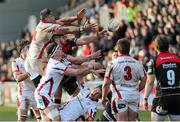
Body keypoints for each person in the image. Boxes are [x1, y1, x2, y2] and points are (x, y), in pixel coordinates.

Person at [24, 8, 97, 80]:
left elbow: (62, 21)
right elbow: (65, 29)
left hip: (34, 58)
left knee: (60, 77)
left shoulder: (43, 24)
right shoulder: (47, 27)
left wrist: (76, 17)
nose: (53, 17)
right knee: (66, 74)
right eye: (51, 16)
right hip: (38, 61)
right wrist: (82, 29)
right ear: (46, 18)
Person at [34, 42, 98, 121]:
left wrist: (91, 69)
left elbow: (76, 67)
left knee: (47, 119)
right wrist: (90, 67)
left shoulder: (60, 61)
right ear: (54, 54)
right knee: (56, 118)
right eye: (58, 48)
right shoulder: (55, 65)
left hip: (45, 96)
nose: (61, 48)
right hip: (42, 95)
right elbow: (76, 73)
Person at [102, 38, 147, 121]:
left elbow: (106, 83)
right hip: (134, 96)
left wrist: (103, 97)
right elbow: (144, 80)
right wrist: (136, 89)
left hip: (120, 96)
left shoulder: (112, 63)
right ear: (129, 49)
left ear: (117, 49)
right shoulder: (138, 63)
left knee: (121, 120)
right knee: (132, 120)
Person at [143, 35, 180, 121]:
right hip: (177, 96)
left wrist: (145, 98)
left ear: (156, 47)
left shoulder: (154, 61)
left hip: (162, 97)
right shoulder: (177, 58)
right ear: (168, 46)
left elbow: (150, 81)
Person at [11, 40, 41, 122]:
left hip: (37, 92)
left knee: (41, 117)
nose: (30, 50)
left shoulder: (35, 59)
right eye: (28, 48)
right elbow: (18, 78)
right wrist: (30, 72)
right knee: (21, 118)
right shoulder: (16, 62)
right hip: (24, 93)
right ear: (22, 51)